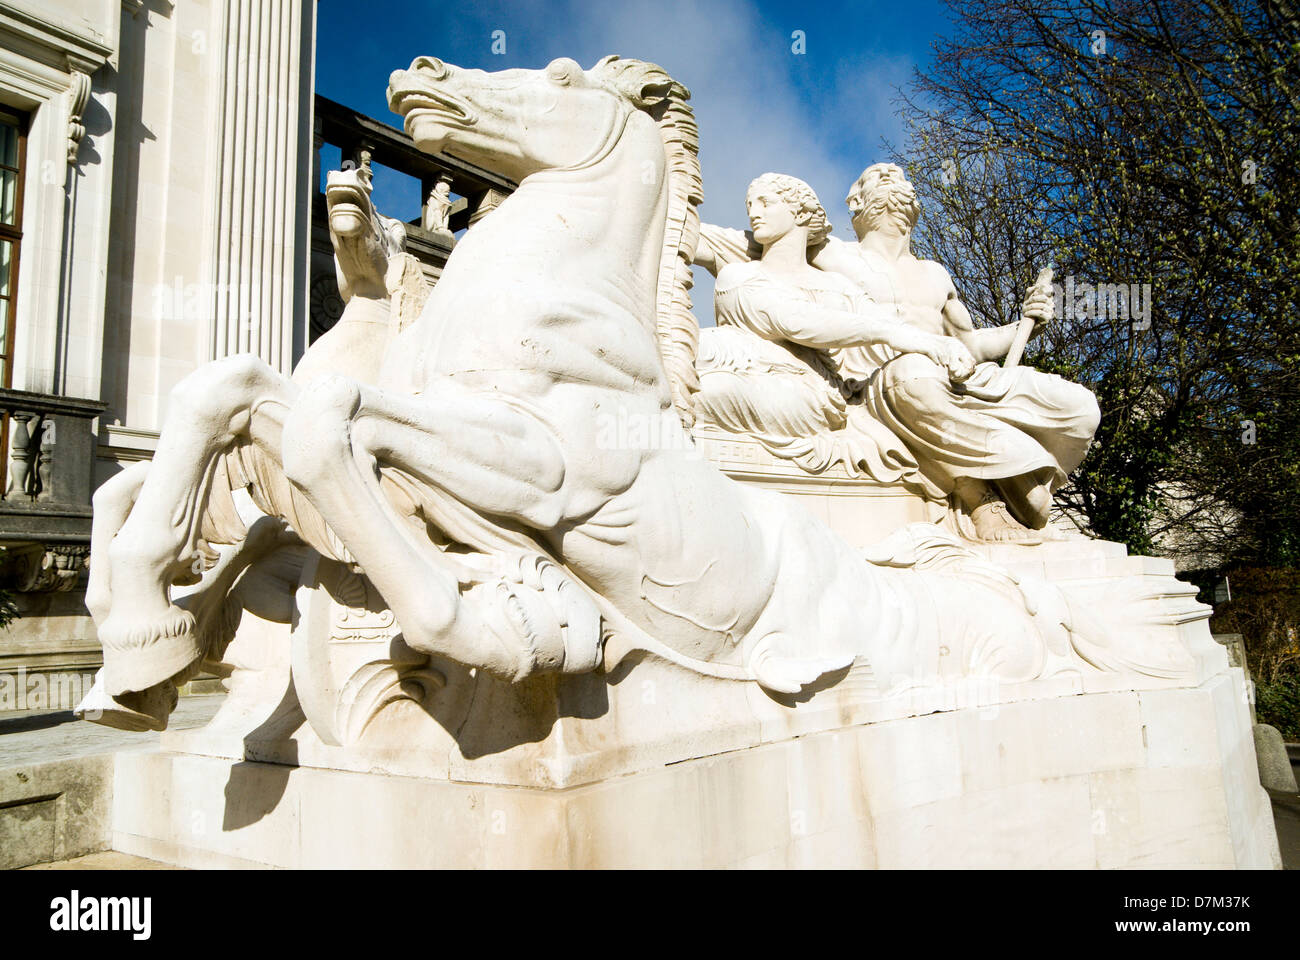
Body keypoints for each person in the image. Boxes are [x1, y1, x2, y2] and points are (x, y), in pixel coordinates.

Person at [809, 163, 1101, 541]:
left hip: (956, 377)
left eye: (897, 176)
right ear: (856, 201)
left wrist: (1023, 326)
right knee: (915, 372)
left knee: (1079, 406)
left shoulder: (935, 274)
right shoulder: (830, 254)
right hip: (886, 381)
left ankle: (1018, 470)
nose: (890, 177)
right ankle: (983, 492)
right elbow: (750, 248)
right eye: (877, 177)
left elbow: (971, 344)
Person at [694, 173, 973, 497]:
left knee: (703, 393)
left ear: (799, 213)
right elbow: (792, 319)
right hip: (744, 365)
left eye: (765, 203)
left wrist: (930, 343)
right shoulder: (737, 275)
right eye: (749, 205)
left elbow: (881, 324)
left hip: (809, 390)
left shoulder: (839, 287)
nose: (754, 212)